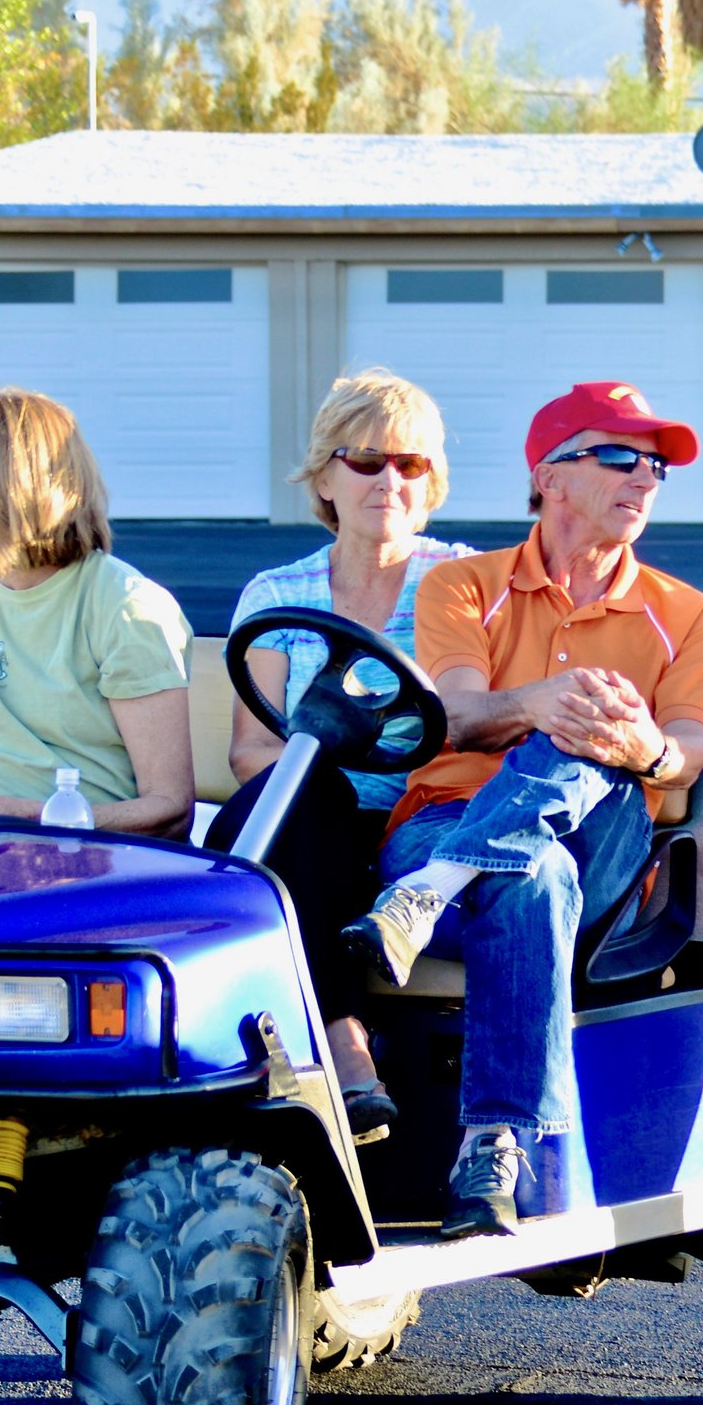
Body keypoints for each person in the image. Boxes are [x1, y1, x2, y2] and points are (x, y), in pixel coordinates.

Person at [340, 381, 703, 1238]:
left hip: (605, 845)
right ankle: (493, 1149)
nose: (646, 477)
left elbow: (686, 755)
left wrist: (636, 747)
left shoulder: (692, 614)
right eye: (621, 456)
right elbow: (454, 715)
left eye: (657, 465)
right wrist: (543, 702)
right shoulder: (459, 584)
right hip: (448, 820)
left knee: (587, 737)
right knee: (533, 873)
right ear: (551, 475)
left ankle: (429, 892)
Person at [221, 370, 476, 1141]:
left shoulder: (463, 581)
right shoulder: (277, 592)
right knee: (309, 798)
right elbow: (250, 749)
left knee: (295, 826)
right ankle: (342, 1044)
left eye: (411, 464)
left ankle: (330, 1051)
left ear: (432, 482)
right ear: (325, 474)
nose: (388, 481)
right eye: (366, 461)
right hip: (308, 813)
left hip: (419, 823)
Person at [0, 389, 192, 839]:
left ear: (1, 489)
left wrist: (41, 817)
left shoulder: (126, 606)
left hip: (78, 862)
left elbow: (168, 809)